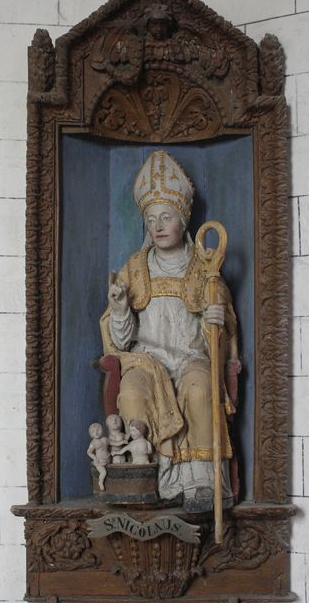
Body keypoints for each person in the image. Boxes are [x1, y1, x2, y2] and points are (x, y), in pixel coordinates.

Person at [100, 150, 239, 512]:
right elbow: (121, 340)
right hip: (147, 361)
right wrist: (118, 309)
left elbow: (223, 337)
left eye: (167, 217)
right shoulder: (134, 267)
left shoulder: (203, 267)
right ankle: (143, 480)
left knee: (198, 387)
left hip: (192, 358)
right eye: (151, 219)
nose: (158, 226)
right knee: (131, 391)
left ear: (184, 219)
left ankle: (200, 484)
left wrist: (215, 321)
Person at [87, 423, 110, 491]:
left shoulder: (105, 439)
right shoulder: (93, 443)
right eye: (93, 431)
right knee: (103, 472)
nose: (96, 433)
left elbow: (111, 445)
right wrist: (95, 458)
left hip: (108, 459)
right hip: (99, 461)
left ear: (102, 431)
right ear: (90, 434)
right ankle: (101, 482)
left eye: (98, 430)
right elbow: (89, 452)